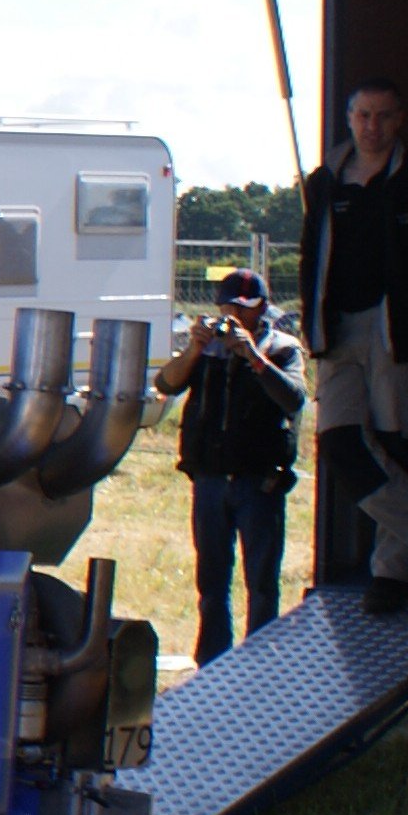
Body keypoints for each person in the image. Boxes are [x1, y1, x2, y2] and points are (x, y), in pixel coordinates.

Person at [296, 79, 408, 614]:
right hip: (338, 327)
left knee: (397, 445)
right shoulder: (325, 181)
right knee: (342, 443)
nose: (373, 127)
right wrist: (311, 320)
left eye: (384, 117)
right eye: (364, 116)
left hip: (397, 328)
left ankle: (391, 574)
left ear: (400, 120)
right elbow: (308, 255)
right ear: (349, 119)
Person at [152, 267, 307, 664]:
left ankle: (259, 664)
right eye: (228, 308)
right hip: (210, 479)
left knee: (261, 582)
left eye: (245, 309)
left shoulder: (281, 348)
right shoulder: (207, 351)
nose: (236, 316)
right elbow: (166, 385)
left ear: (263, 309)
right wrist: (193, 349)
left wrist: (252, 355)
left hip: (259, 481)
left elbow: (293, 399)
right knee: (212, 580)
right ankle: (212, 661)